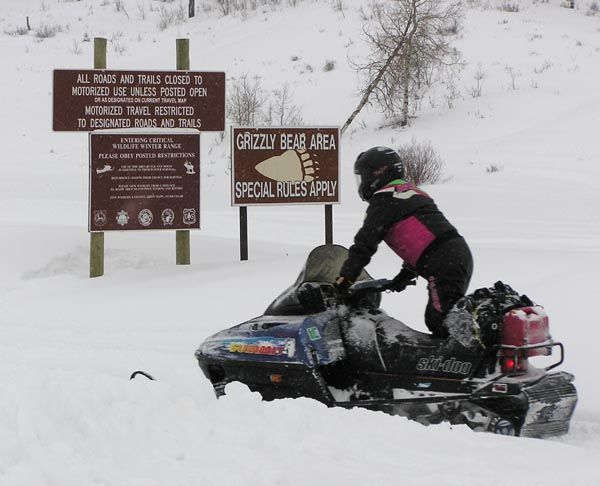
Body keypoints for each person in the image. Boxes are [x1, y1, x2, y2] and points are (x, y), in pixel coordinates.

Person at [334, 146, 473, 339]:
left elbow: (364, 245)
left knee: (443, 323)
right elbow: (423, 236)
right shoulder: (413, 193)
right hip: (455, 253)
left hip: (443, 262)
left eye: (363, 176)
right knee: (445, 317)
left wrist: (345, 279)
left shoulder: (384, 200)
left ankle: (468, 363)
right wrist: (405, 274)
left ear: (377, 173)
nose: (362, 183)